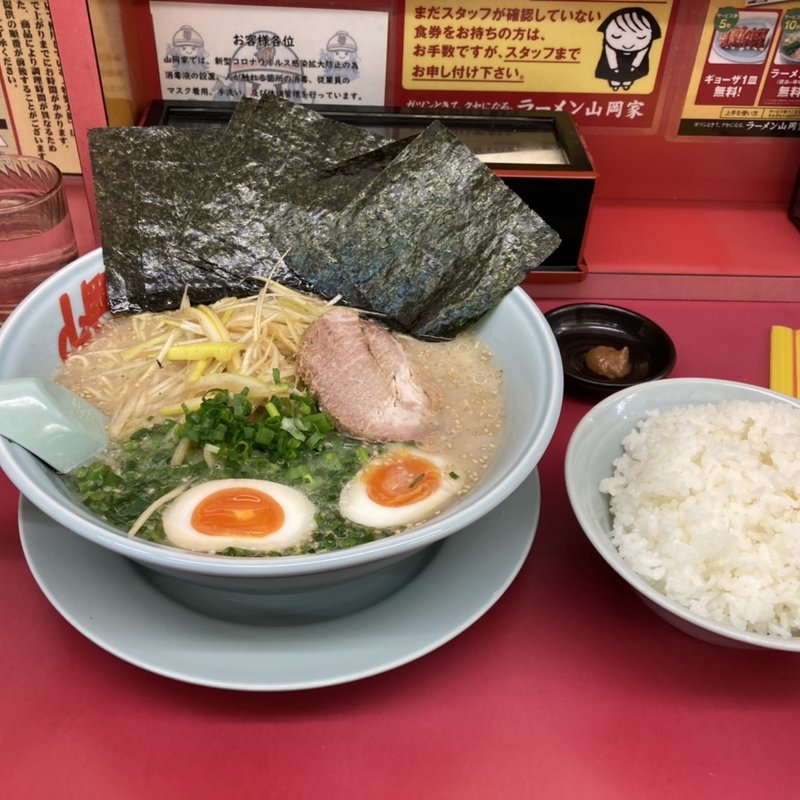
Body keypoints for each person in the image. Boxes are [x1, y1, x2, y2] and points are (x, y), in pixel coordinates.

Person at [595, 7, 662, 91]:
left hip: (634, 64)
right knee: (613, 75)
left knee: (630, 75)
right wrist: (614, 67)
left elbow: (641, 55)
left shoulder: (643, 49)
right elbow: (609, 54)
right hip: (613, 63)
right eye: (616, 36)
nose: (628, 45)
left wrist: (634, 66)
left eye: (641, 37)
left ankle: (627, 82)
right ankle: (614, 83)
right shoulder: (609, 48)